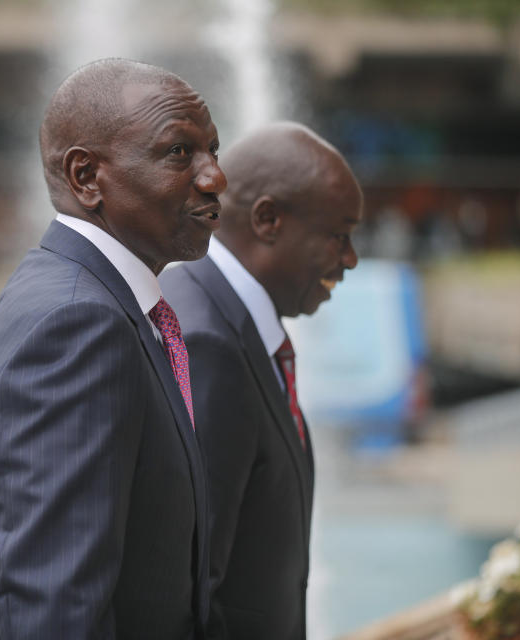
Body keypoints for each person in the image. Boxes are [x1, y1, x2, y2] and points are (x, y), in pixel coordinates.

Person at [0, 58, 227, 640]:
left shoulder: (94, 301)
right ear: (86, 177)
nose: (214, 177)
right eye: (180, 152)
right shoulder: (78, 323)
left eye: (212, 152)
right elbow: (56, 610)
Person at [160, 122, 362, 640]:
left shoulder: (227, 322)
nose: (350, 259)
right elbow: (189, 589)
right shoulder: (207, 343)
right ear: (267, 219)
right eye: (339, 235)